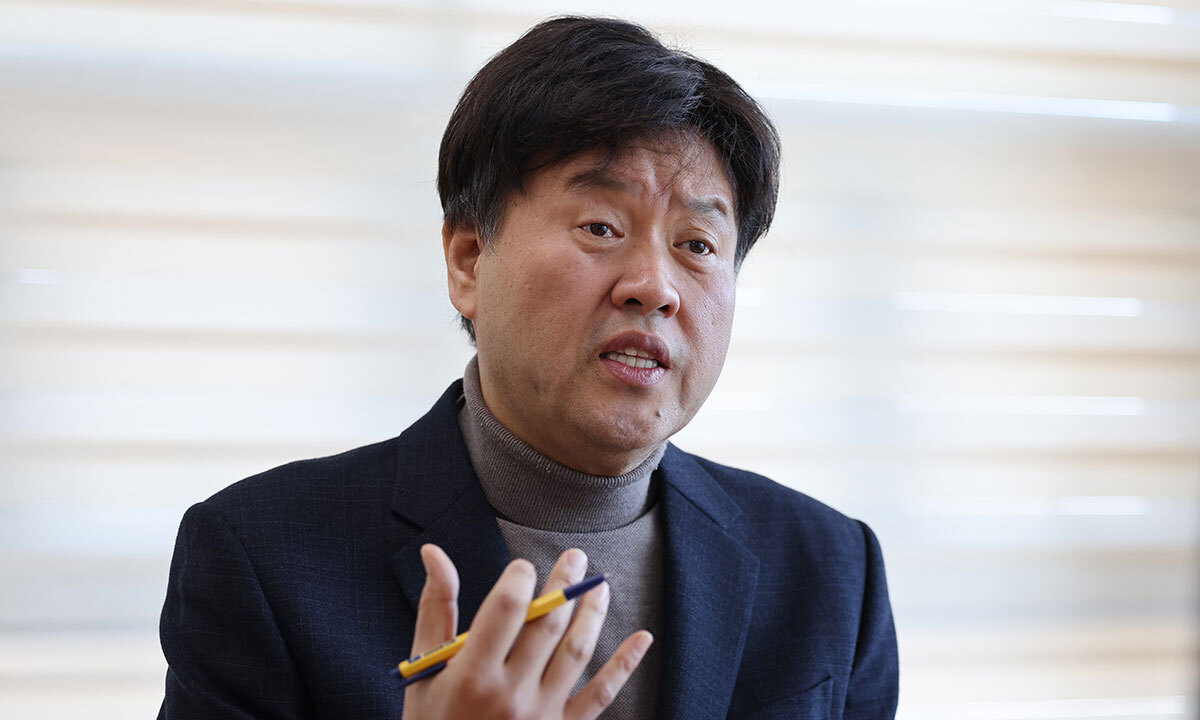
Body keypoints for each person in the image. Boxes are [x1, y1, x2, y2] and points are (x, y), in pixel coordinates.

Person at [158, 16, 898, 720]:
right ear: (468, 260)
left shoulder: (833, 571)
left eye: (697, 245)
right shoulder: (265, 556)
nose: (654, 286)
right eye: (600, 226)